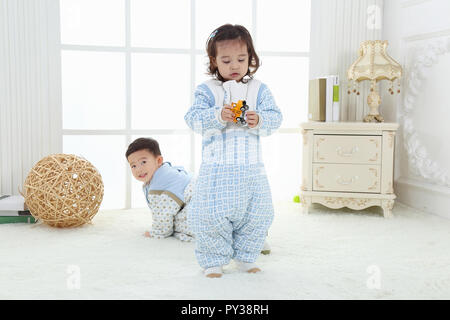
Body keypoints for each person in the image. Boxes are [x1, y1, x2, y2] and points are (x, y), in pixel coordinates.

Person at [184, 24, 282, 278]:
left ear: (251, 58)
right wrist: (218, 114)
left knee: (258, 212)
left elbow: (275, 117)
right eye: (226, 60)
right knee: (210, 214)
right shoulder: (207, 91)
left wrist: (259, 120)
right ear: (214, 61)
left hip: (251, 170)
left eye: (241, 59)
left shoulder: (259, 89)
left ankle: (246, 256)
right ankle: (213, 259)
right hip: (217, 170)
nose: (234, 65)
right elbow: (192, 118)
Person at [126, 137, 195, 242]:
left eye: (143, 162)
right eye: (133, 166)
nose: (139, 169)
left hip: (198, 205)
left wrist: (158, 232)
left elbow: (164, 214)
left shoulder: (161, 185)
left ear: (158, 160)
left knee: (186, 221)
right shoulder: (166, 172)